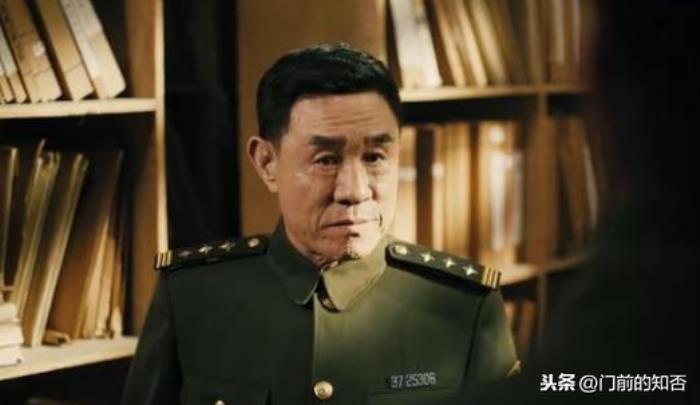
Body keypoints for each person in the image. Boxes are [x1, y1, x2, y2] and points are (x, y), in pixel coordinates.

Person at [122, 43, 518, 404]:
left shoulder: (464, 306)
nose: (355, 191)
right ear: (267, 163)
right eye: (326, 160)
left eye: (375, 157)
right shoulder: (191, 297)